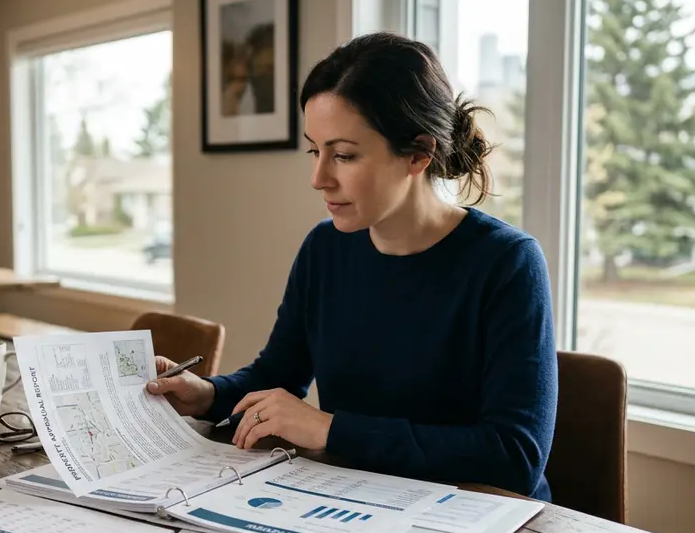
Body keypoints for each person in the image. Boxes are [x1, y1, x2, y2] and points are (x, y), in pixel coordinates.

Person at [147, 32, 558, 500]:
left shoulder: (508, 263)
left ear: (419, 153)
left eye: (343, 155)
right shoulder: (326, 248)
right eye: (315, 151)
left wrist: (329, 430)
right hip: (355, 501)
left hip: (474, 524)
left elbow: (514, 459)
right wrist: (206, 394)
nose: (319, 178)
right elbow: (277, 374)